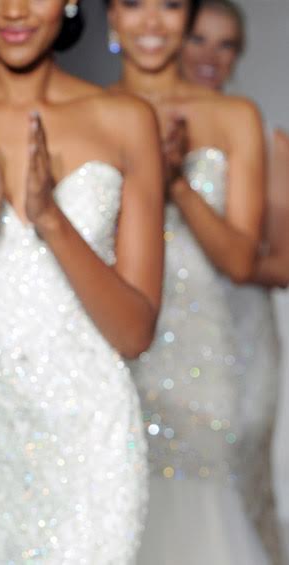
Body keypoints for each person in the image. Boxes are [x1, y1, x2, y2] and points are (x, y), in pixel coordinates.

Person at [0, 0, 165, 562]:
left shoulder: (126, 120)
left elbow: (135, 332)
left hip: (89, 440)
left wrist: (51, 219)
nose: (15, 10)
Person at [107, 0, 270, 562]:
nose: (153, 21)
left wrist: (176, 182)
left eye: (171, 5)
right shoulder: (86, 112)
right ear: (109, 16)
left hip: (198, 345)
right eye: (134, 3)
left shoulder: (233, 117)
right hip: (110, 338)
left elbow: (242, 261)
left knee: (203, 509)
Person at [181, 3, 289, 561]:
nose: (209, 56)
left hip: (241, 332)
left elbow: (282, 263)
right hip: (161, 331)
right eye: (199, 39)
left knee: (240, 479)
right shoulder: (133, 124)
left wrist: (225, 252)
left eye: (225, 44)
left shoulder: (264, 141)